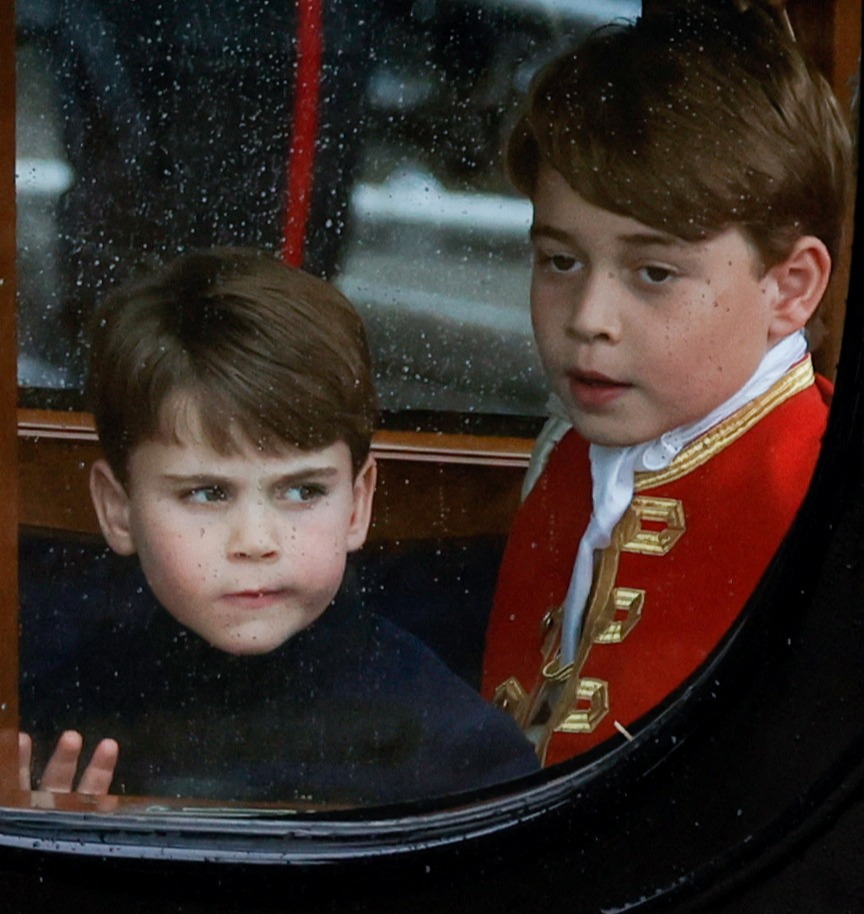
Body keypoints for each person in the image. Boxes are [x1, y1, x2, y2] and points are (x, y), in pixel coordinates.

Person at [20, 247, 538, 805]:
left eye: (302, 491)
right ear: (118, 510)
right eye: (206, 493)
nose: (256, 542)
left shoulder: (458, 753)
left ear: (358, 505)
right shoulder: (47, 724)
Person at [481, 0, 853, 767]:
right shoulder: (568, 455)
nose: (590, 318)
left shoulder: (830, 506)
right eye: (560, 261)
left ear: (791, 288)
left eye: (654, 273)